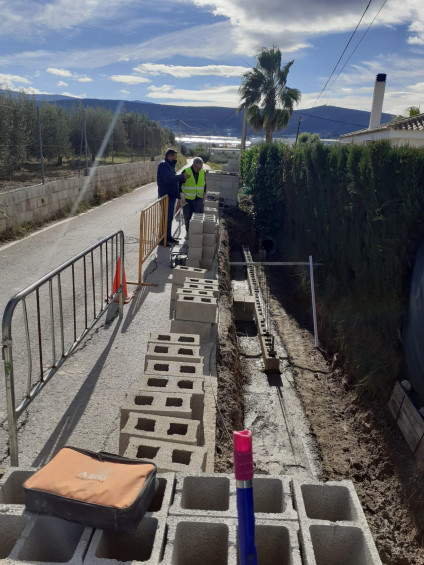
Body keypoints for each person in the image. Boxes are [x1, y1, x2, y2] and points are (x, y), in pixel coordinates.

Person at [157, 148, 190, 245]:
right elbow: (168, 179)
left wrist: (181, 179)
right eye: (174, 156)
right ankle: (162, 239)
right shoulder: (163, 165)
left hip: (171, 196)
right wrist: (181, 176)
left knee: (169, 217)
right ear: (170, 156)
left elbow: (173, 179)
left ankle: (168, 236)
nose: (176, 158)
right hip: (165, 196)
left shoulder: (170, 166)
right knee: (165, 218)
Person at [180, 157, 206, 235]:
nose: (199, 169)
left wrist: (204, 194)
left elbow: (205, 184)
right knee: (187, 216)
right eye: (198, 168)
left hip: (198, 198)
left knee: (198, 216)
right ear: (194, 165)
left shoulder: (202, 172)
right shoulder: (186, 172)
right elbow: (179, 184)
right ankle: (189, 232)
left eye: (201, 167)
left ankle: (196, 233)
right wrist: (181, 197)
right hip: (187, 199)